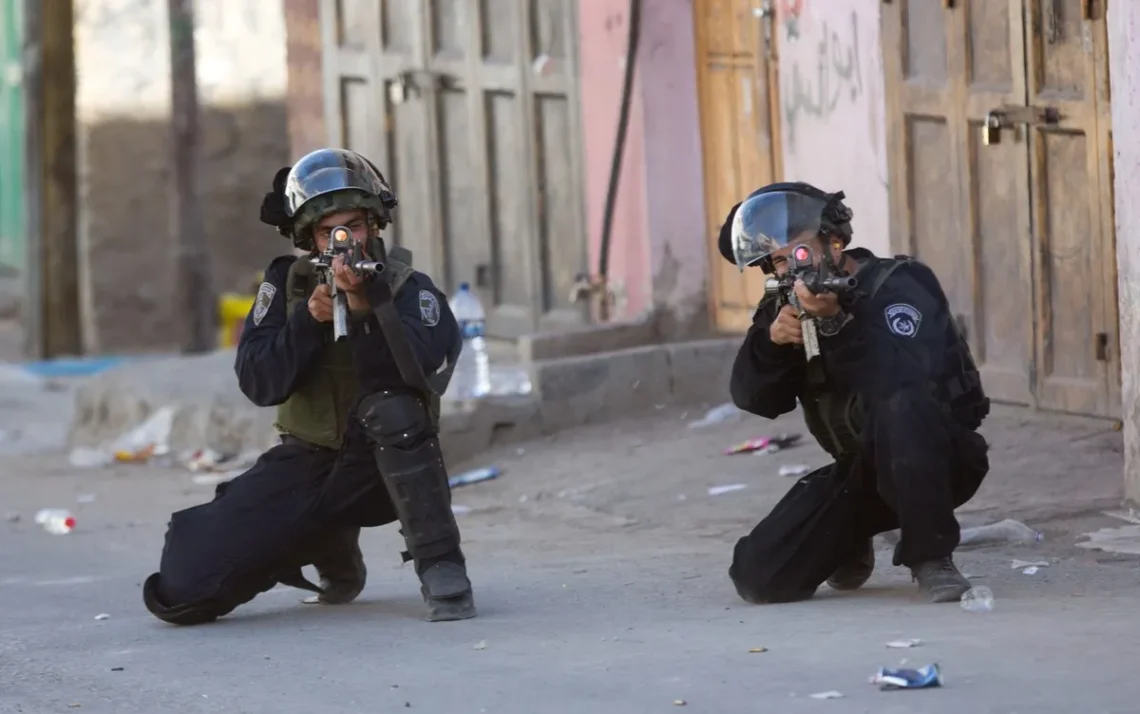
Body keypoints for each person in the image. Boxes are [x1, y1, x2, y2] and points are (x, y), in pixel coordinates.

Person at [142, 148, 476, 624]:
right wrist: (308, 322)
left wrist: (366, 308)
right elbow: (259, 383)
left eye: (353, 227)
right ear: (309, 238)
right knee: (184, 589)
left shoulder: (409, 289)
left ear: (373, 225)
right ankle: (327, 541)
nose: (344, 241)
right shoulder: (286, 286)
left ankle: (442, 563)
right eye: (328, 232)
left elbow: (417, 372)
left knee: (395, 410)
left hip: (387, 468)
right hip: (307, 460)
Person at [718, 181, 991, 605]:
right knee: (759, 576)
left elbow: (905, 379)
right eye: (777, 260)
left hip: (941, 459)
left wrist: (836, 323)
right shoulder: (785, 305)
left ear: (835, 241)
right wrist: (772, 343)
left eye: (800, 250)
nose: (791, 264)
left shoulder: (898, 285)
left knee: (905, 404)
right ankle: (852, 538)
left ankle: (931, 556)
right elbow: (756, 399)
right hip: (863, 470)